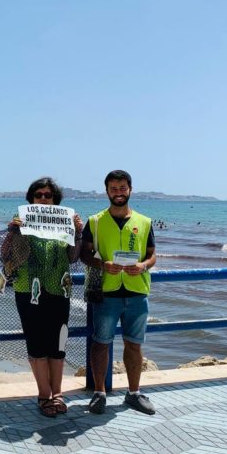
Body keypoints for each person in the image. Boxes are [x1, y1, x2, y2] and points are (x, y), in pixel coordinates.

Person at [0, 177, 83, 417]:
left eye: (48, 195)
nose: (44, 199)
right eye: (39, 195)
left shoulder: (65, 221)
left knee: (58, 343)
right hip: (28, 289)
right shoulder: (21, 220)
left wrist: (78, 232)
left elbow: (73, 257)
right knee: (36, 343)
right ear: (32, 199)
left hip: (59, 288)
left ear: (55, 199)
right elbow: (5, 255)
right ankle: (44, 395)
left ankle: (58, 393)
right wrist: (12, 231)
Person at [81, 170, 157, 415]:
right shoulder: (95, 221)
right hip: (106, 292)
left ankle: (133, 393)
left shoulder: (144, 222)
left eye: (122, 188)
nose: (118, 193)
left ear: (130, 189)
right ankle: (99, 393)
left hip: (137, 292)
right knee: (101, 343)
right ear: (107, 191)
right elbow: (84, 253)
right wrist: (102, 265)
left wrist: (143, 266)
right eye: (113, 189)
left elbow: (152, 255)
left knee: (134, 344)